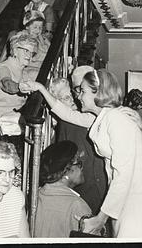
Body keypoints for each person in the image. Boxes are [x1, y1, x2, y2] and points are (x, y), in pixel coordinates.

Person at [21, 69, 142, 238]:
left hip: (134, 199)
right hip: (122, 199)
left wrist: (101, 218)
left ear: (97, 92)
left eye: (83, 91)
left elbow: (124, 175)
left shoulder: (116, 119)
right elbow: (66, 113)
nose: (78, 96)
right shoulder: (103, 117)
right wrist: (41, 88)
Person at [50, 76, 107, 215]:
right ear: (56, 103)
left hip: (103, 184)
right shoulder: (65, 126)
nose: (72, 100)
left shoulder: (87, 115)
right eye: (65, 98)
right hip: (85, 190)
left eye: (70, 94)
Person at [0, 32, 38, 164]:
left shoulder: (22, 71)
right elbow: (8, 85)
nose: (29, 55)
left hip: (10, 124)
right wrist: (20, 87)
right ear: (15, 50)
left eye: (32, 53)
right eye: (25, 50)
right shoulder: (4, 67)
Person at [34, 140, 92, 238]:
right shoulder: (77, 206)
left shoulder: (36, 196)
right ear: (66, 172)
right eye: (79, 164)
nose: (81, 168)